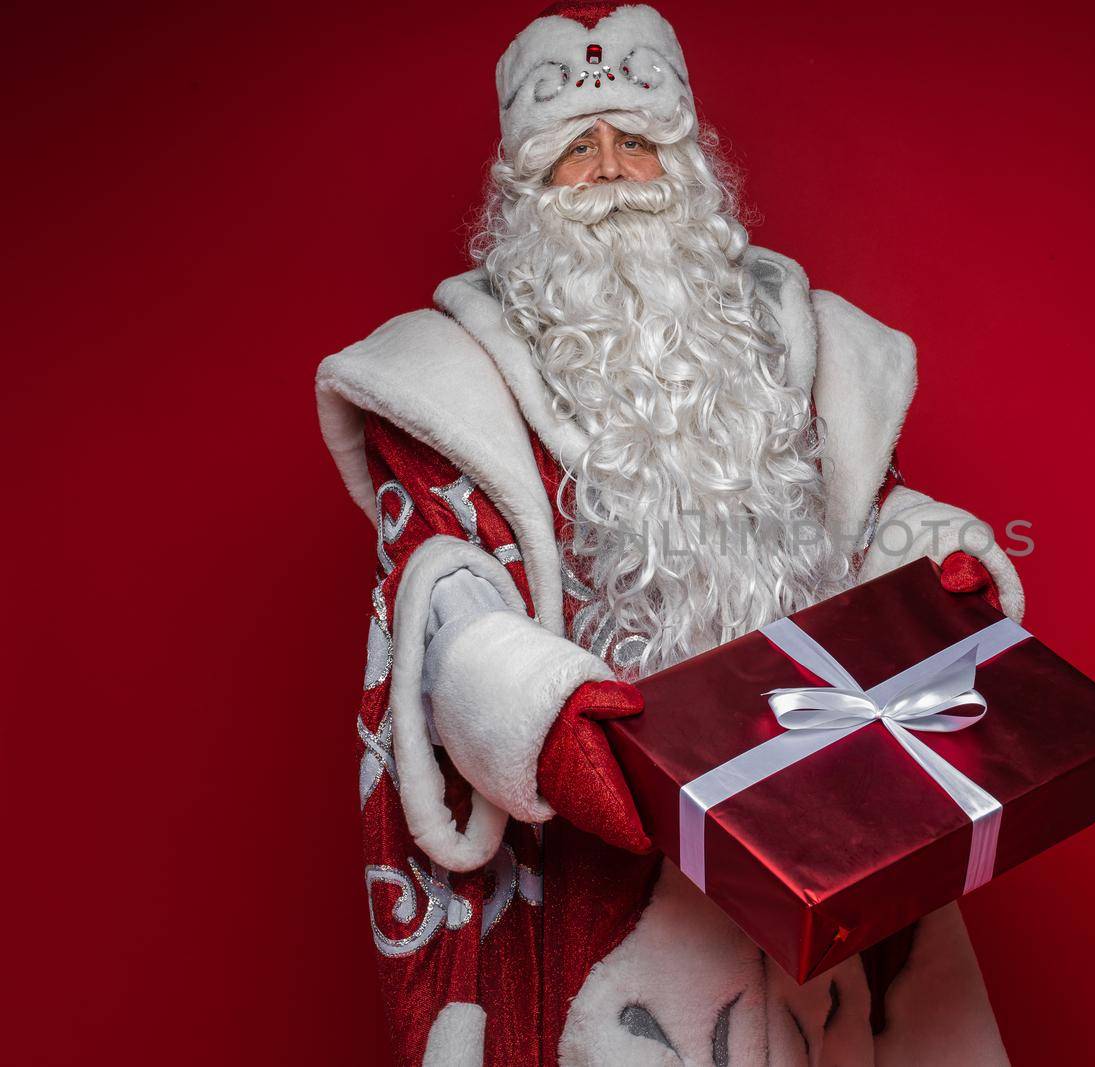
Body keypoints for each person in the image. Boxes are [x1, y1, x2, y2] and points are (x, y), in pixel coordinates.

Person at [315, 4, 1024, 1063]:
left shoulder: (786, 339)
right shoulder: (445, 382)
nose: (609, 173)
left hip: (815, 828)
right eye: (574, 152)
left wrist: (935, 573)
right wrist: (548, 718)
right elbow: (438, 591)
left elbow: (865, 515)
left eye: (637, 143)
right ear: (523, 188)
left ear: (687, 166)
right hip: (598, 885)